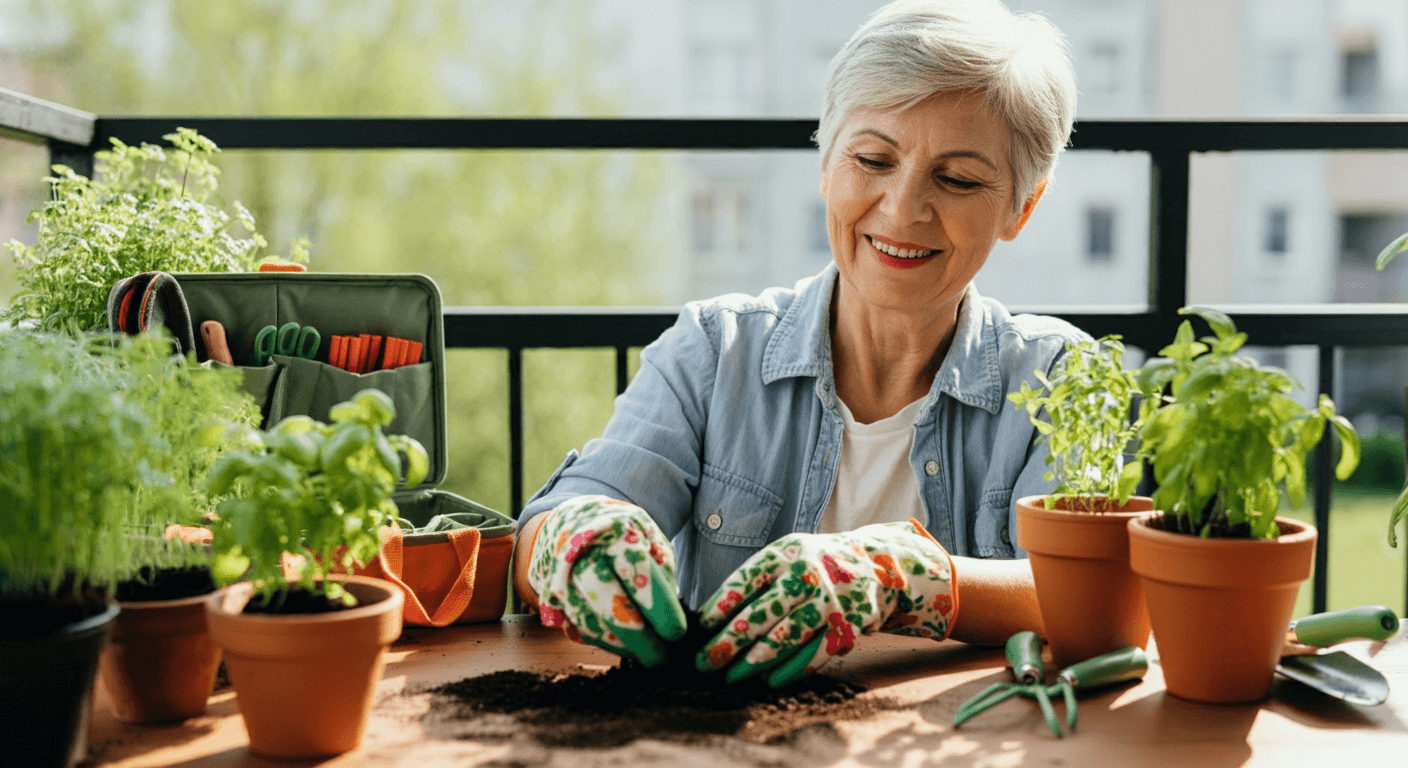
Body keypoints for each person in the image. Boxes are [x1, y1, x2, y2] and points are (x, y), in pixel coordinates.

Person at [512, 0, 1084, 688]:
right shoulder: (712, 350)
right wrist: (573, 542)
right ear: (826, 165)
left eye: (957, 179)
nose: (902, 208)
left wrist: (906, 578)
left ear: (1022, 206)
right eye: (873, 158)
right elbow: (551, 526)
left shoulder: (1061, 382)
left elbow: (1088, 597)